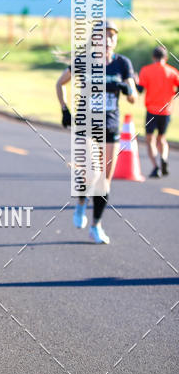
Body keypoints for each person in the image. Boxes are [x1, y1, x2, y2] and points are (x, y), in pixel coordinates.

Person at [56, 20, 137, 244]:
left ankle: (96, 226)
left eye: (112, 37)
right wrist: (65, 110)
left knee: (105, 181)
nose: (108, 41)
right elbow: (59, 83)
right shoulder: (83, 61)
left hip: (110, 126)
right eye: (103, 36)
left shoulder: (122, 63)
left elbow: (133, 97)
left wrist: (127, 89)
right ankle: (82, 202)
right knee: (92, 173)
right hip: (85, 125)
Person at [138, 45, 179, 177]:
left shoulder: (146, 70)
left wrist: (134, 80)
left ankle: (156, 167)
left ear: (153, 57)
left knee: (150, 140)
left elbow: (139, 90)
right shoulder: (172, 71)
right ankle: (164, 159)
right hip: (166, 111)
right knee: (162, 139)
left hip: (151, 111)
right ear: (166, 58)